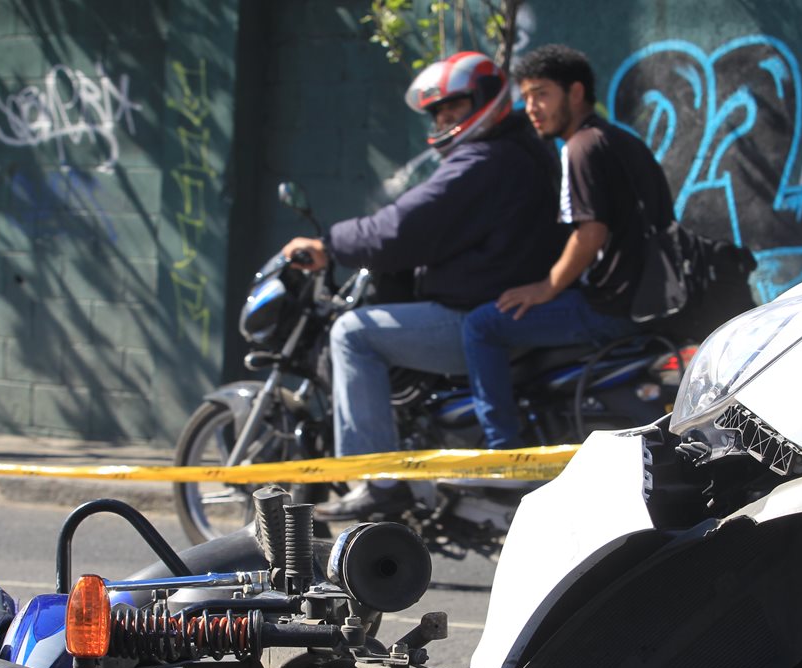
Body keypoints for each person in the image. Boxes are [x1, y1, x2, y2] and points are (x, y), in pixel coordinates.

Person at [281, 51, 566, 521]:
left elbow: (403, 227)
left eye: (455, 105)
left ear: (486, 100)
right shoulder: (521, 150)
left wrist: (329, 244)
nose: (445, 117)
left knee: (352, 332)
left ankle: (379, 479)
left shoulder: (485, 159)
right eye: (438, 111)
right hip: (502, 305)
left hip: (476, 312)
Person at [460, 44, 676, 449]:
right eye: (526, 97)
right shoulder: (619, 139)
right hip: (645, 300)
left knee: (481, 325)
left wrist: (547, 287)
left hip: (611, 308)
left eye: (541, 94)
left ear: (575, 93)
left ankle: (501, 449)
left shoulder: (580, 147)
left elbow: (589, 233)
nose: (532, 107)